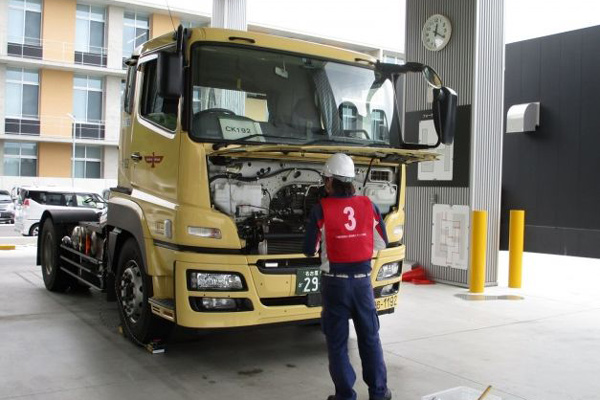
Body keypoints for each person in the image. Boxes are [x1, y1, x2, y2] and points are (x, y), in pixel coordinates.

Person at [303, 153, 392, 400]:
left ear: (329, 181)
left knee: (338, 343)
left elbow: (309, 249)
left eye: (325, 179)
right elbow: (382, 242)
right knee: (370, 338)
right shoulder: (369, 205)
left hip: (335, 285)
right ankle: (379, 392)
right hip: (363, 282)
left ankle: (345, 395)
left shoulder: (320, 209)